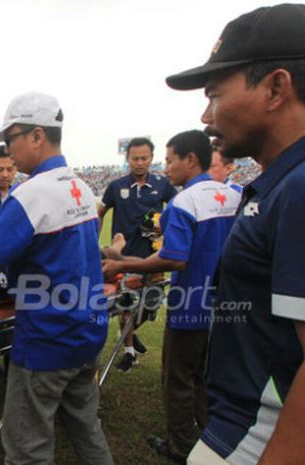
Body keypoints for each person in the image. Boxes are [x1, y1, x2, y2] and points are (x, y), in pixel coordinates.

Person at [0, 92, 113, 465]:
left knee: (26, 449)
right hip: (88, 330)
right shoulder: (80, 186)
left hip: (47, 341)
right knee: (86, 429)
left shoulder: (30, 194)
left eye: (10, 139)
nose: (6, 150)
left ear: (36, 136)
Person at [165, 4, 305, 464]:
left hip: (258, 435)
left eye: (214, 95)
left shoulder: (300, 187)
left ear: (276, 88)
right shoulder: (282, 183)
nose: (206, 116)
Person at [102, 130, 240, 464]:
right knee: (205, 378)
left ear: (190, 159)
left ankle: (180, 447)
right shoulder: (231, 196)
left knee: (177, 379)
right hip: (224, 306)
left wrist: (125, 261)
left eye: (171, 159)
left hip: (189, 306)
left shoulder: (185, 201)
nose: (167, 167)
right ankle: (211, 440)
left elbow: (175, 257)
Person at [98, 137, 178, 371]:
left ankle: (131, 332)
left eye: (144, 158)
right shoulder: (116, 186)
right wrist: (95, 240)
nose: (140, 162)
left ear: (151, 159)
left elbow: (178, 211)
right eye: (135, 158)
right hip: (123, 258)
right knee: (126, 305)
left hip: (153, 257)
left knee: (150, 305)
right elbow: (100, 212)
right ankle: (129, 352)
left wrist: (162, 227)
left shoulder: (162, 185)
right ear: (127, 159)